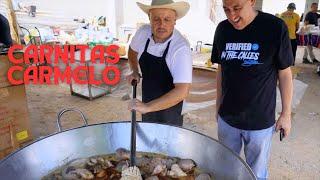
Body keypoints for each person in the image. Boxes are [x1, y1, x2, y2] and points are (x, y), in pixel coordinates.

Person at [211, 0, 293, 179]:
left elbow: (285, 73)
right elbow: (221, 69)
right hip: (227, 118)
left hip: (260, 122)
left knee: (256, 173)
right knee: (226, 168)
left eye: (237, 8)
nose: (232, 16)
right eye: (226, 9)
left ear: (252, 1)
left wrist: (286, 114)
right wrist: (218, 103)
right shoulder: (222, 29)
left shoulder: (274, 27)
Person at [126, 0, 192, 126]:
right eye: (156, 19)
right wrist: (134, 70)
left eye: (167, 19)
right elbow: (132, 51)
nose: (161, 24)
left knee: (167, 142)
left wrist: (147, 107)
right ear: (149, 18)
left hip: (171, 111)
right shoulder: (143, 33)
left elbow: (182, 91)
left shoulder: (180, 48)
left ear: (175, 20)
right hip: (147, 101)